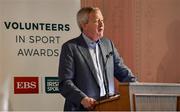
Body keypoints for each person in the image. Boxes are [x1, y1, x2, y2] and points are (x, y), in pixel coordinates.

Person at [58, 7, 136, 111]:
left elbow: (122, 72)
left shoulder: (108, 45)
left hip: (108, 107)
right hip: (82, 108)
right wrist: (82, 99)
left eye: (102, 21)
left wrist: (137, 87)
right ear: (84, 25)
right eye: (96, 21)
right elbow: (65, 82)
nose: (102, 25)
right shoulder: (70, 47)